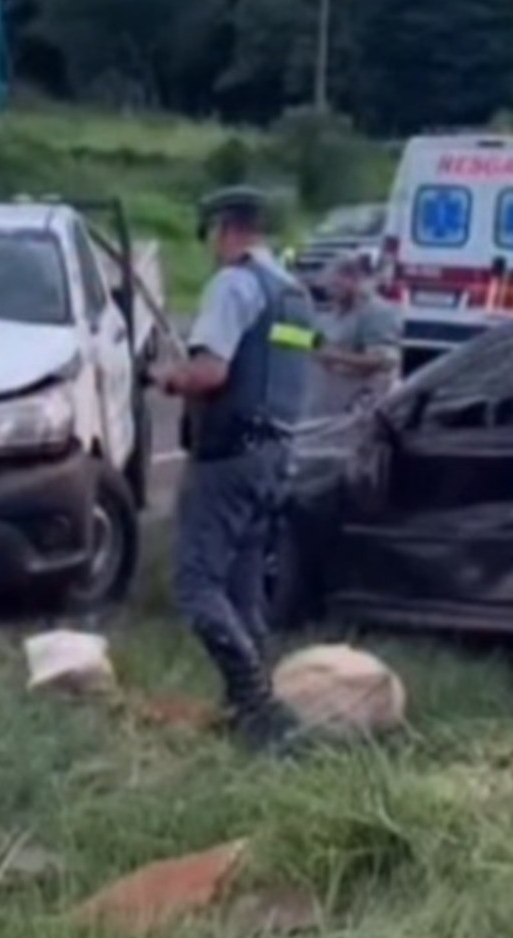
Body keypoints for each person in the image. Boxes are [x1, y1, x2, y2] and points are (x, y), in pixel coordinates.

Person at [153, 186, 320, 754]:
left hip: (228, 458)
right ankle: (249, 709)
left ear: (223, 229)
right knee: (245, 587)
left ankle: (256, 702)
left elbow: (211, 374)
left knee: (197, 585)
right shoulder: (293, 294)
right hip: (274, 457)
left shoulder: (234, 284)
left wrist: (167, 377)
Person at [310, 253, 403, 416]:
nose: (330, 292)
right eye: (328, 287)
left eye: (335, 286)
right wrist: (278, 332)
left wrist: (336, 356)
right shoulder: (334, 312)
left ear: (353, 279)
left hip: (359, 409)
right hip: (328, 406)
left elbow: (385, 361)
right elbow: (317, 341)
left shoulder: (377, 313)